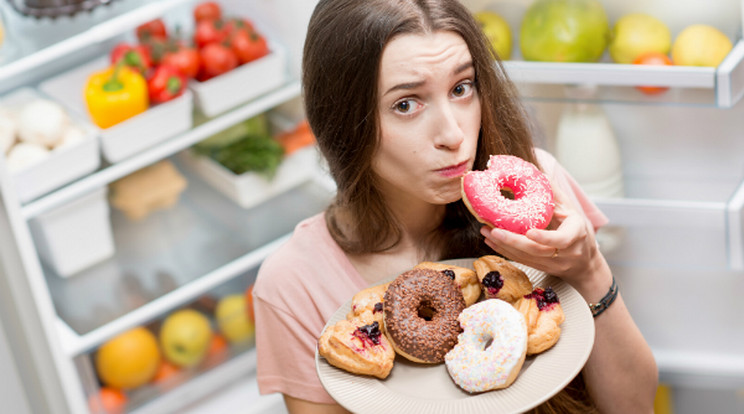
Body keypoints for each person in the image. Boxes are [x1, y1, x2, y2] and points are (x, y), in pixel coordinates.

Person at [253, 0, 658, 413]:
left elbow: (636, 407)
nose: (453, 134)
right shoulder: (295, 281)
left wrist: (589, 270)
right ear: (342, 122)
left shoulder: (537, 192)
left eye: (461, 88)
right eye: (406, 104)